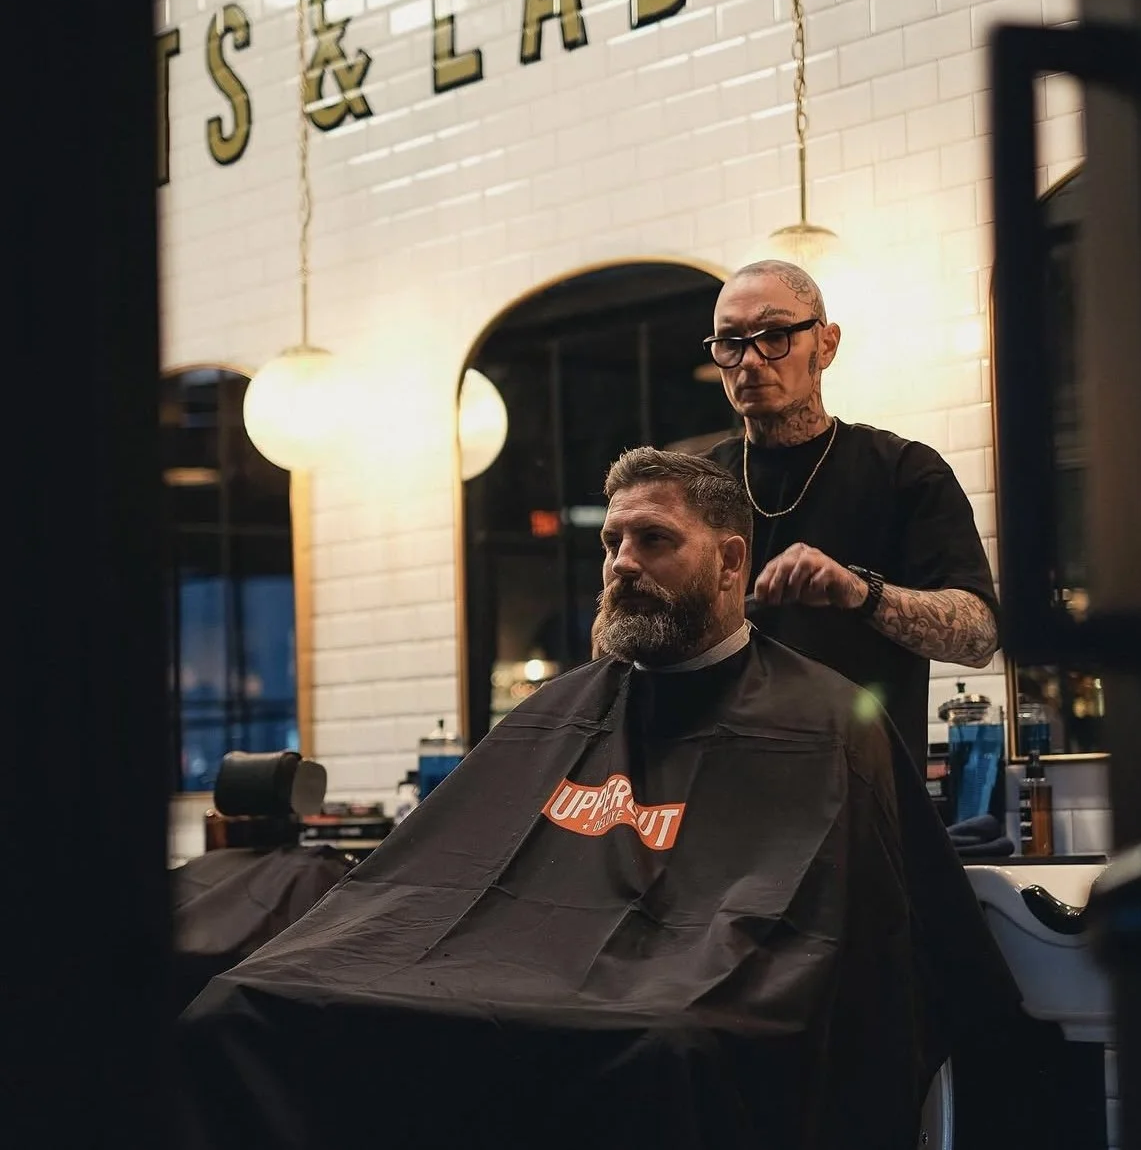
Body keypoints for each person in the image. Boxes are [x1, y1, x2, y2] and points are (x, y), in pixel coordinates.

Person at [177, 450, 1022, 1150]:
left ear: (731, 561)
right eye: (613, 541)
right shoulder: (556, 709)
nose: (622, 561)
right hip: (498, 982)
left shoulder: (826, 718)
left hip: (673, 1008)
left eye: (654, 540)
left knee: (663, 1052)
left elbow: (861, 946)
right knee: (238, 1007)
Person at [702, 260, 999, 771]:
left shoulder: (904, 471)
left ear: (826, 344)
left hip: (864, 800)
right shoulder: (696, 486)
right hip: (726, 797)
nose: (750, 360)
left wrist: (861, 592)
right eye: (731, 341)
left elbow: (978, 637)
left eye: (774, 335)